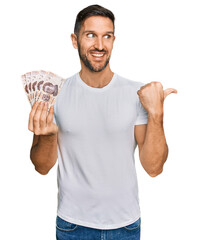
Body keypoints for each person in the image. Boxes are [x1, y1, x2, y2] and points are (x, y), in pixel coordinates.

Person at [28, 4, 177, 240]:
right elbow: (42, 166)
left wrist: (157, 114)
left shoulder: (135, 93)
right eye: (90, 35)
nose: (99, 45)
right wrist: (48, 136)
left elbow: (154, 168)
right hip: (72, 225)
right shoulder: (55, 93)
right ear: (75, 40)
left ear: (113, 40)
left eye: (107, 36)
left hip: (126, 226)